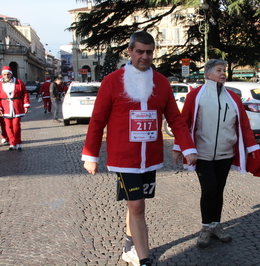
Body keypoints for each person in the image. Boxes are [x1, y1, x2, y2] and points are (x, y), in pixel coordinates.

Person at [82, 31, 197, 266]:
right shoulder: (112, 81)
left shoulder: (162, 82)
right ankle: (144, 259)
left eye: (149, 52)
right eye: (139, 51)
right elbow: (97, 120)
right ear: (130, 51)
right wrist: (90, 155)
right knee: (137, 205)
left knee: (135, 202)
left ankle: (129, 244)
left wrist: (187, 147)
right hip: (124, 156)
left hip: (150, 156)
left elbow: (175, 119)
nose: (145, 56)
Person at [173, 59, 260, 248]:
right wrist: (179, 147)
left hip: (225, 154)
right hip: (202, 153)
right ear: (208, 74)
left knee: (219, 190)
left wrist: (254, 148)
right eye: (219, 70)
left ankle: (215, 225)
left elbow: (244, 126)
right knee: (209, 189)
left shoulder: (233, 98)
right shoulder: (196, 95)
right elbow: (184, 123)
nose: (223, 74)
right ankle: (206, 227)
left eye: (224, 70)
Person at [0, 66, 30, 150]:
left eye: (8, 74)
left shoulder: (19, 82)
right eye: (4, 74)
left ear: (11, 74)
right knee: (8, 126)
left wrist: (26, 105)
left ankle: (18, 142)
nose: (6, 76)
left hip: (16, 106)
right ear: (2, 75)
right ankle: (12, 142)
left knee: (16, 125)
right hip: (5, 107)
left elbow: (25, 94)